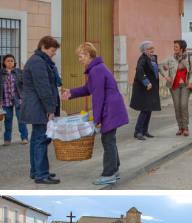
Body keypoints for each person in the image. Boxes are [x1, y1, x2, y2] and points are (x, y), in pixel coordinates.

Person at [61, 42, 129, 185]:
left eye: (80, 56)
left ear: (87, 55)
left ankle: (109, 173)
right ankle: (114, 170)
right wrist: (71, 92)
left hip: (109, 108)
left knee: (108, 140)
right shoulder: (97, 68)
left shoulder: (96, 70)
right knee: (110, 139)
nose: (79, 59)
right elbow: (89, 88)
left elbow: (98, 97)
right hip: (112, 107)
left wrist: (97, 119)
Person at [20, 36, 61, 185]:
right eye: (52, 50)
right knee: (41, 140)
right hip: (39, 107)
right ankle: (41, 174)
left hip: (37, 106)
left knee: (38, 139)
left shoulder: (39, 60)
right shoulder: (38, 62)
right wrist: (50, 109)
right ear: (43, 46)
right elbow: (43, 87)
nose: (53, 53)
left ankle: (37, 171)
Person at [160, 40, 192, 137]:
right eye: (174, 46)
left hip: (185, 85)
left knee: (183, 105)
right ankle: (180, 127)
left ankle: (186, 127)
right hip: (174, 86)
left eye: (176, 47)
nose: (174, 48)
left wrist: (191, 82)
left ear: (182, 48)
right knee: (177, 106)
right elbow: (160, 66)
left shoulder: (189, 58)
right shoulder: (171, 58)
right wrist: (165, 75)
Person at [130, 41, 161, 141]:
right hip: (145, 88)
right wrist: (146, 82)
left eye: (152, 48)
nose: (152, 50)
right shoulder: (143, 59)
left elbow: (155, 70)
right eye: (149, 49)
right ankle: (138, 131)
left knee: (149, 109)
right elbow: (139, 70)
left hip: (152, 88)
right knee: (145, 110)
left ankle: (144, 130)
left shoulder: (152, 58)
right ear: (144, 50)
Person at [1, 54, 27, 145]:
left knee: (21, 119)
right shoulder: (1, 73)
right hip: (5, 100)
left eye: (12, 61)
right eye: (8, 61)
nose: (10, 62)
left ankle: (24, 138)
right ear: (4, 62)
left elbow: (25, 83)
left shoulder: (19, 72)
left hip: (18, 100)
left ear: (14, 62)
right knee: (8, 120)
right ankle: (7, 140)